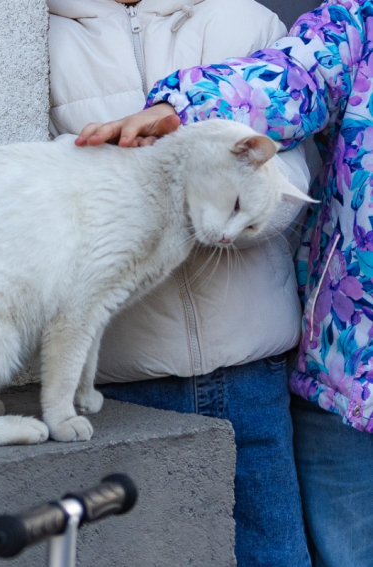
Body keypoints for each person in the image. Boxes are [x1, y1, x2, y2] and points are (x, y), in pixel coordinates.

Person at [75, 2, 373, 566]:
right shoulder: (360, 24)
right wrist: (181, 108)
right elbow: (288, 78)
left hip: (258, 367)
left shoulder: (241, 16)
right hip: (349, 375)